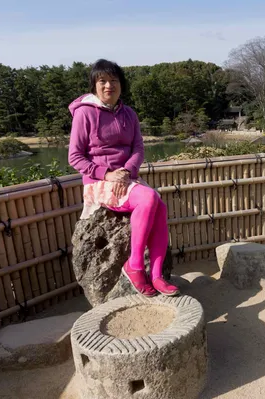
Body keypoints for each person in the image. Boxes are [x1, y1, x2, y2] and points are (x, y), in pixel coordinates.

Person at [68, 59, 179, 297]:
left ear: (121, 85)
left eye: (114, 81)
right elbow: (75, 157)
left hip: (127, 178)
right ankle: (135, 265)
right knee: (149, 198)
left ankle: (157, 274)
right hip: (99, 180)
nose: (109, 86)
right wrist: (108, 175)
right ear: (94, 86)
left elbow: (138, 148)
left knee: (159, 205)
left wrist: (126, 172)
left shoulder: (129, 114)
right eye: (102, 81)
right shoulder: (84, 113)